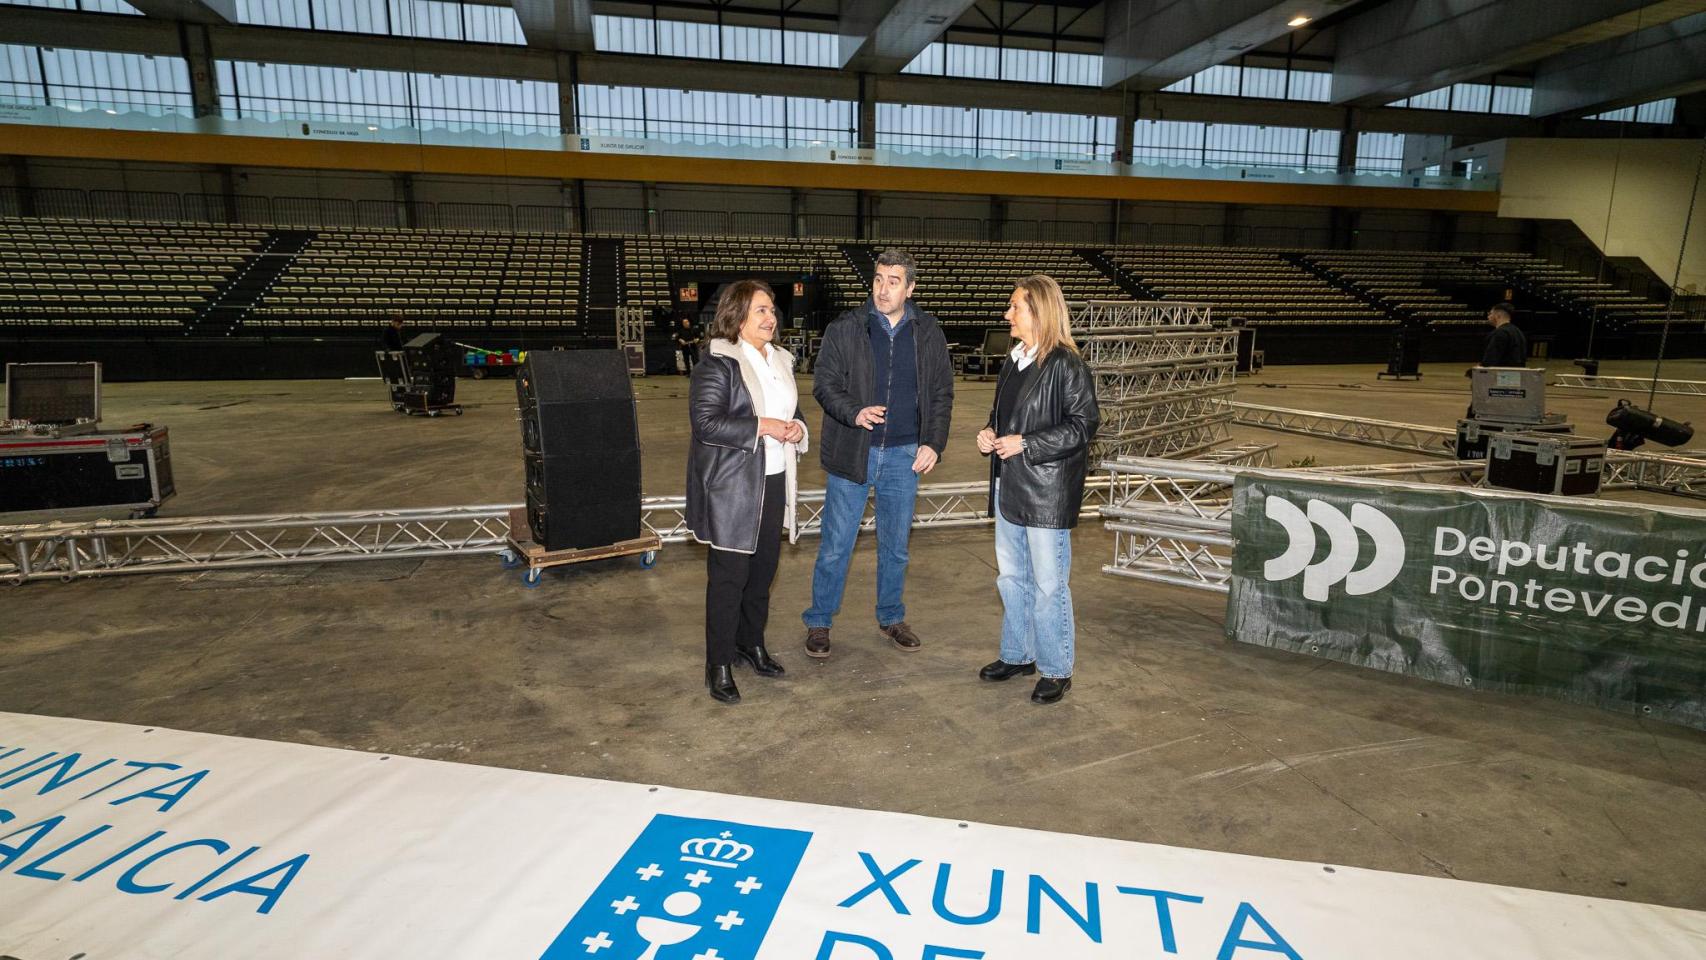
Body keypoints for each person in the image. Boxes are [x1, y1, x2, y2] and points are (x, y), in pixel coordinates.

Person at [802, 248, 955, 658]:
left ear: (910, 288)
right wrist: (854, 412)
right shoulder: (846, 327)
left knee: (896, 546)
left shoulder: (928, 331)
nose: (883, 289)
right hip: (855, 453)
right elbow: (824, 384)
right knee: (836, 543)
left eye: (893, 281)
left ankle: (891, 617)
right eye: (878, 279)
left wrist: (933, 443)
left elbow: (941, 392)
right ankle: (819, 621)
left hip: (906, 455)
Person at [975, 275, 1099, 705]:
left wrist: (1027, 444)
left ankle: (1056, 668)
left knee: (1049, 585)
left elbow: (1084, 426)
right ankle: (1018, 654)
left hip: (1047, 494)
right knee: (1012, 579)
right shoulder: (1013, 361)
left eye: (1015, 307)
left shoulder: (1067, 365)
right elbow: (1002, 416)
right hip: (1009, 486)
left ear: (1038, 312)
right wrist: (989, 433)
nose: (1007, 314)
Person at [686, 280, 809, 705]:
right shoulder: (718, 364)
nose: (770, 316)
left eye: (772, 308)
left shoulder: (780, 360)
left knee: (762, 574)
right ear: (737, 316)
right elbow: (706, 423)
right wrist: (764, 426)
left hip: (774, 479)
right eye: (760, 310)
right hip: (734, 486)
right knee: (729, 578)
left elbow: (793, 411)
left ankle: (750, 644)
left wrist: (797, 427)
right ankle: (717, 663)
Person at [1480, 302, 1527, 368]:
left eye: (1490, 314)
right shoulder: (1518, 331)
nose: (1488, 316)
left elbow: (1491, 359)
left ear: (1498, 316)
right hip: (1516, 374)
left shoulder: (1500, 333)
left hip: (1502, 375)